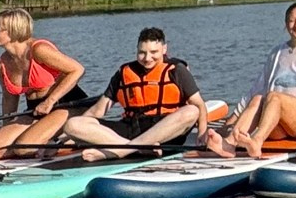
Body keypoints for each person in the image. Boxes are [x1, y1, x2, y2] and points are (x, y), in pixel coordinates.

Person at [210, 1, 296, 155]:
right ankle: (229, 143)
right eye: (292, 20)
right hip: (282, 124)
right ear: (286, 24)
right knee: (258, 99)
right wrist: (231, 121)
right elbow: (256, 90)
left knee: (275, 97)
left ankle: (256, 141)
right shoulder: (277, 53)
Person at [62, 26, 208, 151]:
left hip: (165, 132)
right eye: (142, 52)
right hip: (131, 128)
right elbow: (97, 111)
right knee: (72, 124)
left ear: (164, 49)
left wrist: (203, 134)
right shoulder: (124, 73)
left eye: (153, 52)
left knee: (192, 111)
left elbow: (199, 105)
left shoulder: (176, 70)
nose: (147, 58)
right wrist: (66, 138)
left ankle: (124, 150)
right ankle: (136, 148)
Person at [0, 9, 89, 156]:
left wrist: (50, 101)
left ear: (14, 29)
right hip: (35, 110)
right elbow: (9, 98)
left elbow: (77, 70)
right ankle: (48, 141)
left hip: (67, 104)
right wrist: (6, 126)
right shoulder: (0, 65)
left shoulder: (39, 50)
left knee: (23, 148)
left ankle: (78, 139)